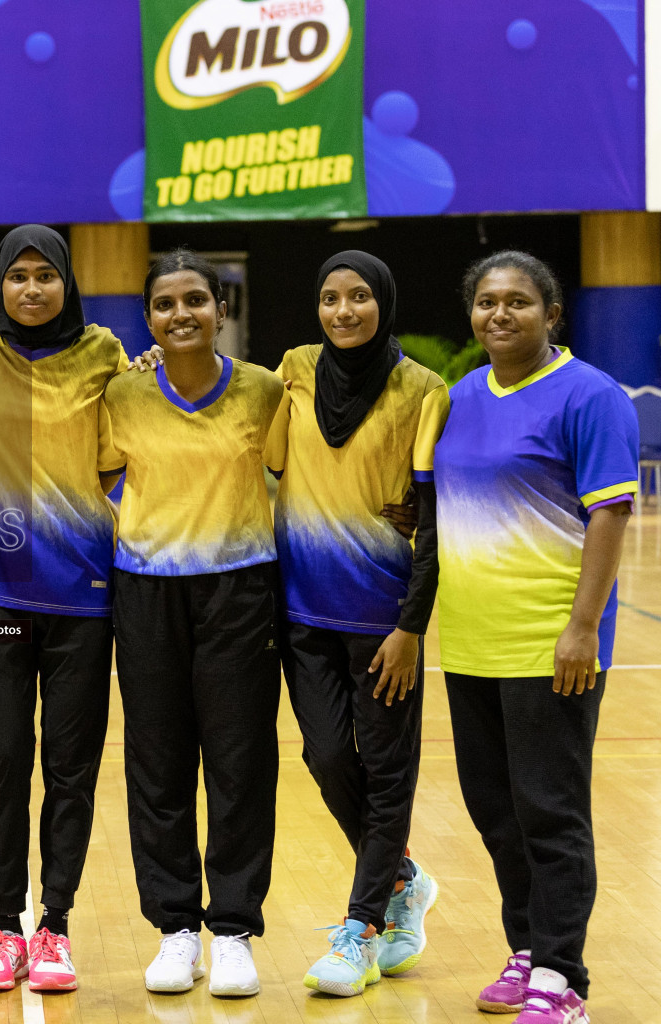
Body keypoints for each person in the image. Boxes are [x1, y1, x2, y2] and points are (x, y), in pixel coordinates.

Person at [435, 251, 637, 1024]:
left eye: (519, 302)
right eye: (487, 302)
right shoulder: (459, 397)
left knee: (551, 811)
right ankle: (526, 948)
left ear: (553, 314)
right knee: (496, 810)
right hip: (471, 643)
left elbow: (610, 514)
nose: (500, 314)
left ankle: (563, 976)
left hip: (550, 642)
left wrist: (583, 626)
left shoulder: (590, 395)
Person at [262, 251, 449, 996]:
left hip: (383, 622)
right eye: (331, 297)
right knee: (326, 756)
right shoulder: (295, 371)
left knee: (387, 772)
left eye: (360, 296)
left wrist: (411, 627)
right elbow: (261, 448)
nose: (344, 311)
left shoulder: (421, 390)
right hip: (302, 610)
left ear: (384, 301)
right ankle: (403, 876)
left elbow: (431, 521)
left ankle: (364, 926)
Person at [0, 225, 126, 993]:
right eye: (16, 276)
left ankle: (54, 925)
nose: (29, 290)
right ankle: (3, 925)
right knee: (2, 760)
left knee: (70, 767)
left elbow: (126, 448)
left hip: (81, 590)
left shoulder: (105, 352)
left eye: (43, 277)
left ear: (66, 283)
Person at [100, 249, 283, 999]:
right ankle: (177, 928)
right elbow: (95, 476)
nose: (182, 314)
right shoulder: (121, 395)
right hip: (146, 591)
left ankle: (234, 928)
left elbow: (300, 471)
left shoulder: (266, 392)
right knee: (159, 764)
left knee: (240, 764)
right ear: (147, 319)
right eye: (166, 304)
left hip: (240, 590)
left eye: (196, 301)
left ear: (220, 310)